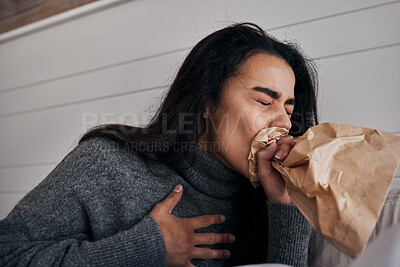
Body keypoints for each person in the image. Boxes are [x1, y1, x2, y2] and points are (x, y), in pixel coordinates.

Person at [0, 22, 318, 266]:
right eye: (264, 101)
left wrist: (287, 208)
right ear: (207, 103)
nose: (285, 123)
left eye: (289, 110)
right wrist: (147, 247)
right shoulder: (107, 164)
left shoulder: (274, 201)